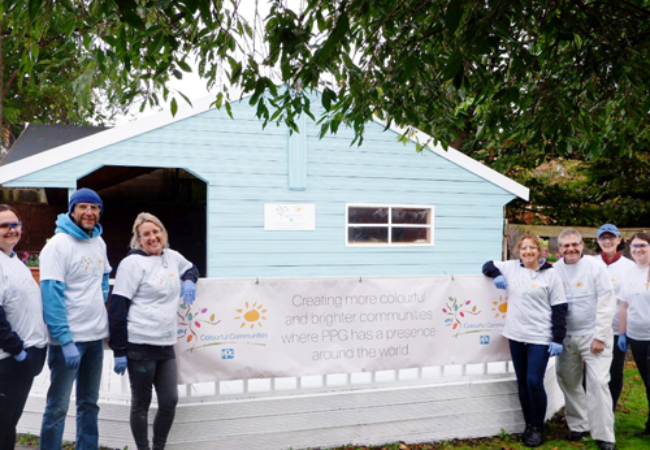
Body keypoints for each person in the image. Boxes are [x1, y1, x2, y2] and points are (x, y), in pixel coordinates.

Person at [109, 212, 198, 450]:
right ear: (138, 239)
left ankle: (159, 447)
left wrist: (189, 279)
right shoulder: (132, 264)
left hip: (166, 344)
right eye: (146, 234)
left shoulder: (172, 257)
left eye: (156, 231)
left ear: (163, 233)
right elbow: (118, 307)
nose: (152, 237)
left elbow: (191, 268)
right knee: (141, 403)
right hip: (140, 345)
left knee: (169, 401)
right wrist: (118, 349)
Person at [39, 188, 111, 450]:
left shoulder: (99, 241)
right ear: (72, 210)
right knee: (57, 407)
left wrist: (101, 293)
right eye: (83, 207)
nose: (89, 213)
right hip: (67, 342)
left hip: (94, 338)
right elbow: (51, 295)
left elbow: (104, 274)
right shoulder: (58, 246)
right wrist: (65, 339)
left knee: (89, 404)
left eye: (94, 208)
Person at [483, 234, 567, 447]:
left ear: (539, 251)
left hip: (539, 336)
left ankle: (538, 427)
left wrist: (558, 338)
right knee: (522, 383)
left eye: (532, 248)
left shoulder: (551, 274)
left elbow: (559, 307)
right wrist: (495, 275)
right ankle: (528, 425)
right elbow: (487, 265)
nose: (528, 252)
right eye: (523, 248)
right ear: (518, 252)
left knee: (534, 382)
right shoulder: (511, 267)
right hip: (516, 335)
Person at [553, 228, 617, 450]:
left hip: (594, 336)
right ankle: (579, 424)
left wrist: (600, 336)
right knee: (568, 379)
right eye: (565, 245)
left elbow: (607, 302)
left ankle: (604, 434)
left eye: (575, 244)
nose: (571, 249)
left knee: (598, 383)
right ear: (559, 249)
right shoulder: (554, 270)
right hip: (567, 337)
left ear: (582, 245)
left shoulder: (595, 267)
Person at [0, 205, 48, 450]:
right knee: (3, 424)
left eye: (15, 224)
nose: (12, 230)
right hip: (8, 360)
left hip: (25, 357)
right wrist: (18, 351)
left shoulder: (14, 261)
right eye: (4, 225)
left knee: (8, 423)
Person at [594, 224, 635, 411]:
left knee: (614, 370)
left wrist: (625, 332)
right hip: (594, 327)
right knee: (592, 371)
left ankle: (609, 409)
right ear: (598, 241)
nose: (607, 241)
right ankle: (592, 409)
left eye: (612, 238)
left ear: (619, 240)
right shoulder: (591, 263)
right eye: (603, 238)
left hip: (618, 328)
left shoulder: (629, 267)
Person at [618, 232, 650, 439]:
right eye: (634, 246)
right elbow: (623, 306)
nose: (638, 249)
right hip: (636, 336)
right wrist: (622, 333)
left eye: (642, 246)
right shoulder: (629, 273)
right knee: (647, 381)